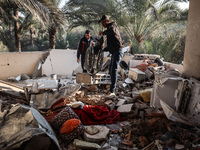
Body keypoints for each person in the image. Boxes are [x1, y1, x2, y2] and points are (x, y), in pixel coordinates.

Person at [99, 15, 123, 96]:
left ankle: (112, 91)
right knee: (110, 68)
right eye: (102, 23)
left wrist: (103, 33)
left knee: (114, 70)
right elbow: (110, 46)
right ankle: (112, 87)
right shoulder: (109, 30)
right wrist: (102, 49)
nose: (103, 24)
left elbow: (112, 31)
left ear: (107, 21)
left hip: (118, 51)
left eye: (103, 22)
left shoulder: (112, 26)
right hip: (114, 52)